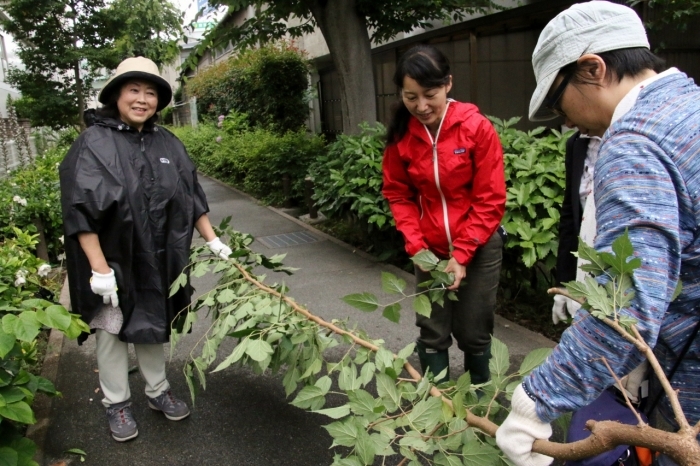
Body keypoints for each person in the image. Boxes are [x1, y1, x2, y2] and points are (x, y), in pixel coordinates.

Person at [495, 2, 700, 465]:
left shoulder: (635, 142)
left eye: (556, 100)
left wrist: (534, 405)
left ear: (593, 69)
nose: (563, 119)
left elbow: (626, 305)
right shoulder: (688, 107)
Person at [59, 57, 232, 442]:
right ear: (117, 94)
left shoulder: (167, 142)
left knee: (153, 324)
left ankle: (157, 391)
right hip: (110, 261)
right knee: (111, 331)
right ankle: (117, 403)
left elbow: (191, 197)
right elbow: (79, 210)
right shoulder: (93, 143)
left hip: (157, 257)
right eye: (134, 90)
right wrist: (99, 270)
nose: (142, 99)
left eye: (150, 92)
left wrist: (214, 240)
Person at [382, 44, 506, 386]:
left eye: (430, 94)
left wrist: (463, 253)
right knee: (432, 327)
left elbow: (490, 199)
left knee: (474, 329)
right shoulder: (401, 135)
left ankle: (479, 402)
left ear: (448, 84)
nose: (421, 106)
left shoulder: (475, 127)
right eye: (410, 97)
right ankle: (435, 403)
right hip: (429, 249)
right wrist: (416, 245)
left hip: (479, 246)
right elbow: (397, 192)